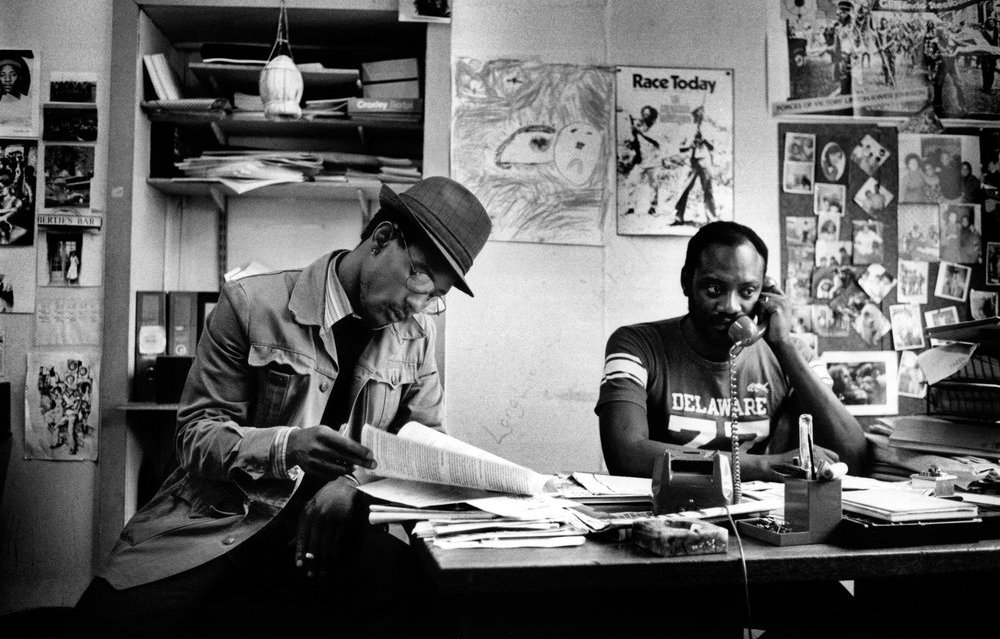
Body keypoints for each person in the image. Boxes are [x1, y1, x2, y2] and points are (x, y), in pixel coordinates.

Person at [70, 177, 493, 639]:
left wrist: (354, 486)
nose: (417, 305)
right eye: (420, 277)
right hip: (218, 521)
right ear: (383, 239)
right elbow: (195, 435)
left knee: (433, 602)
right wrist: (286, 447)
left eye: (435, 298)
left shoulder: (416, 339)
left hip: (327, 535)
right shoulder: (251, 304)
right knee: (100, 626)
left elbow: (424, 449)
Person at [595, 221, 865, 636]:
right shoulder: (636, 345)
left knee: (842, 618)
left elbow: (853, 452)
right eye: (713, 289)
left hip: (760, 547)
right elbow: (625, 452)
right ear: (687, 282)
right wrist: (763, 466)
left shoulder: (787, 353)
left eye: (748, 291)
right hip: (666, 548)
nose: (730, 306)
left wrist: (784, 346)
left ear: (765, 294)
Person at [671, 106, 716, 225]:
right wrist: (690, 144)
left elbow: (712, 147)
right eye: (696, 113)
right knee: (682, 188)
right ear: (694, 115)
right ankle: (678, 217)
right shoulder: (687, 129)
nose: (699, 115)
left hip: (704, 161)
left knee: (707, 190)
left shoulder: (708, 128)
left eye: (701, 113)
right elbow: (680, 147)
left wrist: (704, 139)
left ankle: (711, 219)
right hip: (690, 162)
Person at [623, 105, 666, 216]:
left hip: (654, 162)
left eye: (647, 114)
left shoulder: (657, 128)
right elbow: (632, 141)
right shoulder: (639, 126)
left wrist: (638, 130)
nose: (645, 116)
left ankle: (652, 208)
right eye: (643, 114)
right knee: (631, 182)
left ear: (653, 117)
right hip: (641, 162)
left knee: (653, 186)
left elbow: (653, 139)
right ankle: (630, 207)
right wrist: (633, 131)